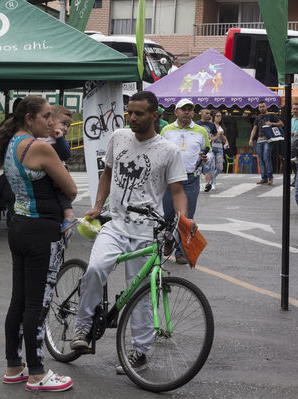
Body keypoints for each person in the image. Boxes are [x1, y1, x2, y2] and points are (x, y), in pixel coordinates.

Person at [70, 91, 192, 375]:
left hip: (146, 231)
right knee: (97, 268)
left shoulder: (168, 151)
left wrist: (185, 220)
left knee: (140, 293)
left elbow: (177, 192)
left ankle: (139, 352)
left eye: (139, 113)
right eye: (130, 112)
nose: (132, 118)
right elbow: (107, 174)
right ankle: (82, 327)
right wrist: (98, 206)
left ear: (155, 115)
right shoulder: (118, 137)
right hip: (115, 224)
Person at [0, 96, 75, 392]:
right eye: (47, 116)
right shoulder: (38, 147)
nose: (51, 122)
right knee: (37, 304)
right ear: (29, 118)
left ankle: (15, 365)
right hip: (42, 231)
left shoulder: (13, 143)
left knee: (20, 302)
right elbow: (71, 189)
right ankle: (37, 373)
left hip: (21, 227)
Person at [161, 98, 209, 264]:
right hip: (169, 178)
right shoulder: (166, 130)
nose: (187, 112)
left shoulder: (201, 131)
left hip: (190, 179)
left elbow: (208, 153)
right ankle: (168, 240)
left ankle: (181, 251)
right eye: (183, 109)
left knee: (186, 218)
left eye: (190, 109)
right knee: (167, 216)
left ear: (193, 112)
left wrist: (206, 157)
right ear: (176, 112)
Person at [38, 104, 77, 243]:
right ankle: (67, 221)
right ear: (50, 120)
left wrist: (60, 139)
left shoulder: (58, 139)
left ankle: (69, 216)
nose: (66, 128)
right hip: (44, 174)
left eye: (68, 125)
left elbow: (66, 154)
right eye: (63, 124)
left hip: (59, 171)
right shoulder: (40, 137)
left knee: (61, 193)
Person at [249, 101, 283, 185]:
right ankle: (263, 178)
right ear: (258, 108)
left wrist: (272, 123)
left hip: (268, 139)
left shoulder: (271, 115)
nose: (262, 108)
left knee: (266, 157)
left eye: (263, 106)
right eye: (260, 107)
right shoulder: (258, 117)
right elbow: (254, 129)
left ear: (266, 106)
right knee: (260, 159)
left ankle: (270, 177)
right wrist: (251, 139)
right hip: (259, 140)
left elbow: (281, 124)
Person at [206, 110, 229, 190]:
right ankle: (211, 183)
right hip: (211, 147)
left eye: (220, 116)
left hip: (219, 148)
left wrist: (225, 141)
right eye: (217, 116)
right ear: (213, 117)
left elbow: (224, 138)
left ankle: (212, 179)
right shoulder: (210, 125)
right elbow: (207, 136)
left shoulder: (221, 126)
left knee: (220, 167)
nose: (219, 118)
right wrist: (212, 138)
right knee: (211, 166)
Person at [195, 108, 217, 192]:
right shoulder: (196, 124)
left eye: (209, 113)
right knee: (198, 167)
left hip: (208, 149)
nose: (208, 115)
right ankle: (197, 184)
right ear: (201, 113)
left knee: (207, 165)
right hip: (197, 148)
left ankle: (207, 184)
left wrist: (212, 138)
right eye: (206, 113)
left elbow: (216, 136)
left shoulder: (211, 125)